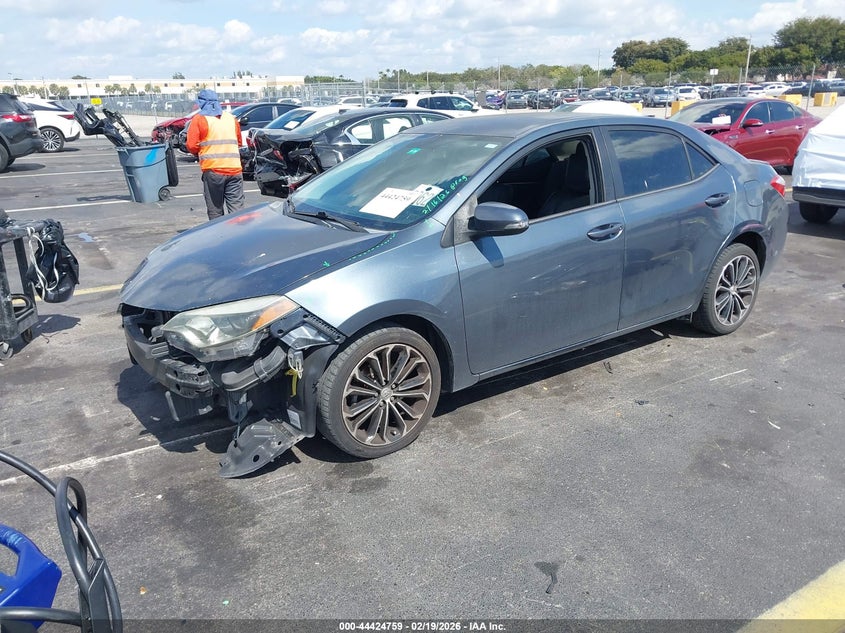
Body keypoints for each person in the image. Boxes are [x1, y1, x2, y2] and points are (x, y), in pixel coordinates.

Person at [186, 89, 245, 220]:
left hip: (214, 171)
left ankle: (219, 237)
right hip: (235, 170)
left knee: (215, 211)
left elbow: (191, 145)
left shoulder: (199, 119)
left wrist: (202, 150)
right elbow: (238, 143)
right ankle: (239, 236)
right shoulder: (231, 119)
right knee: (237, 210)